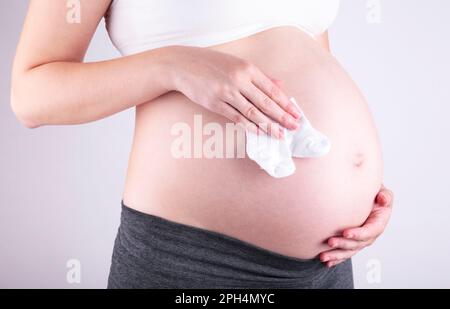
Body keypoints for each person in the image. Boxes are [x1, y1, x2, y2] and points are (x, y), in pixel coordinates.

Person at [11, 0, 393, 288]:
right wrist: (171, 65)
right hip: (197, 260)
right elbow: (30, 96)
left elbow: (308, 60)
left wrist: (358, 193)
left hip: (330, 263)